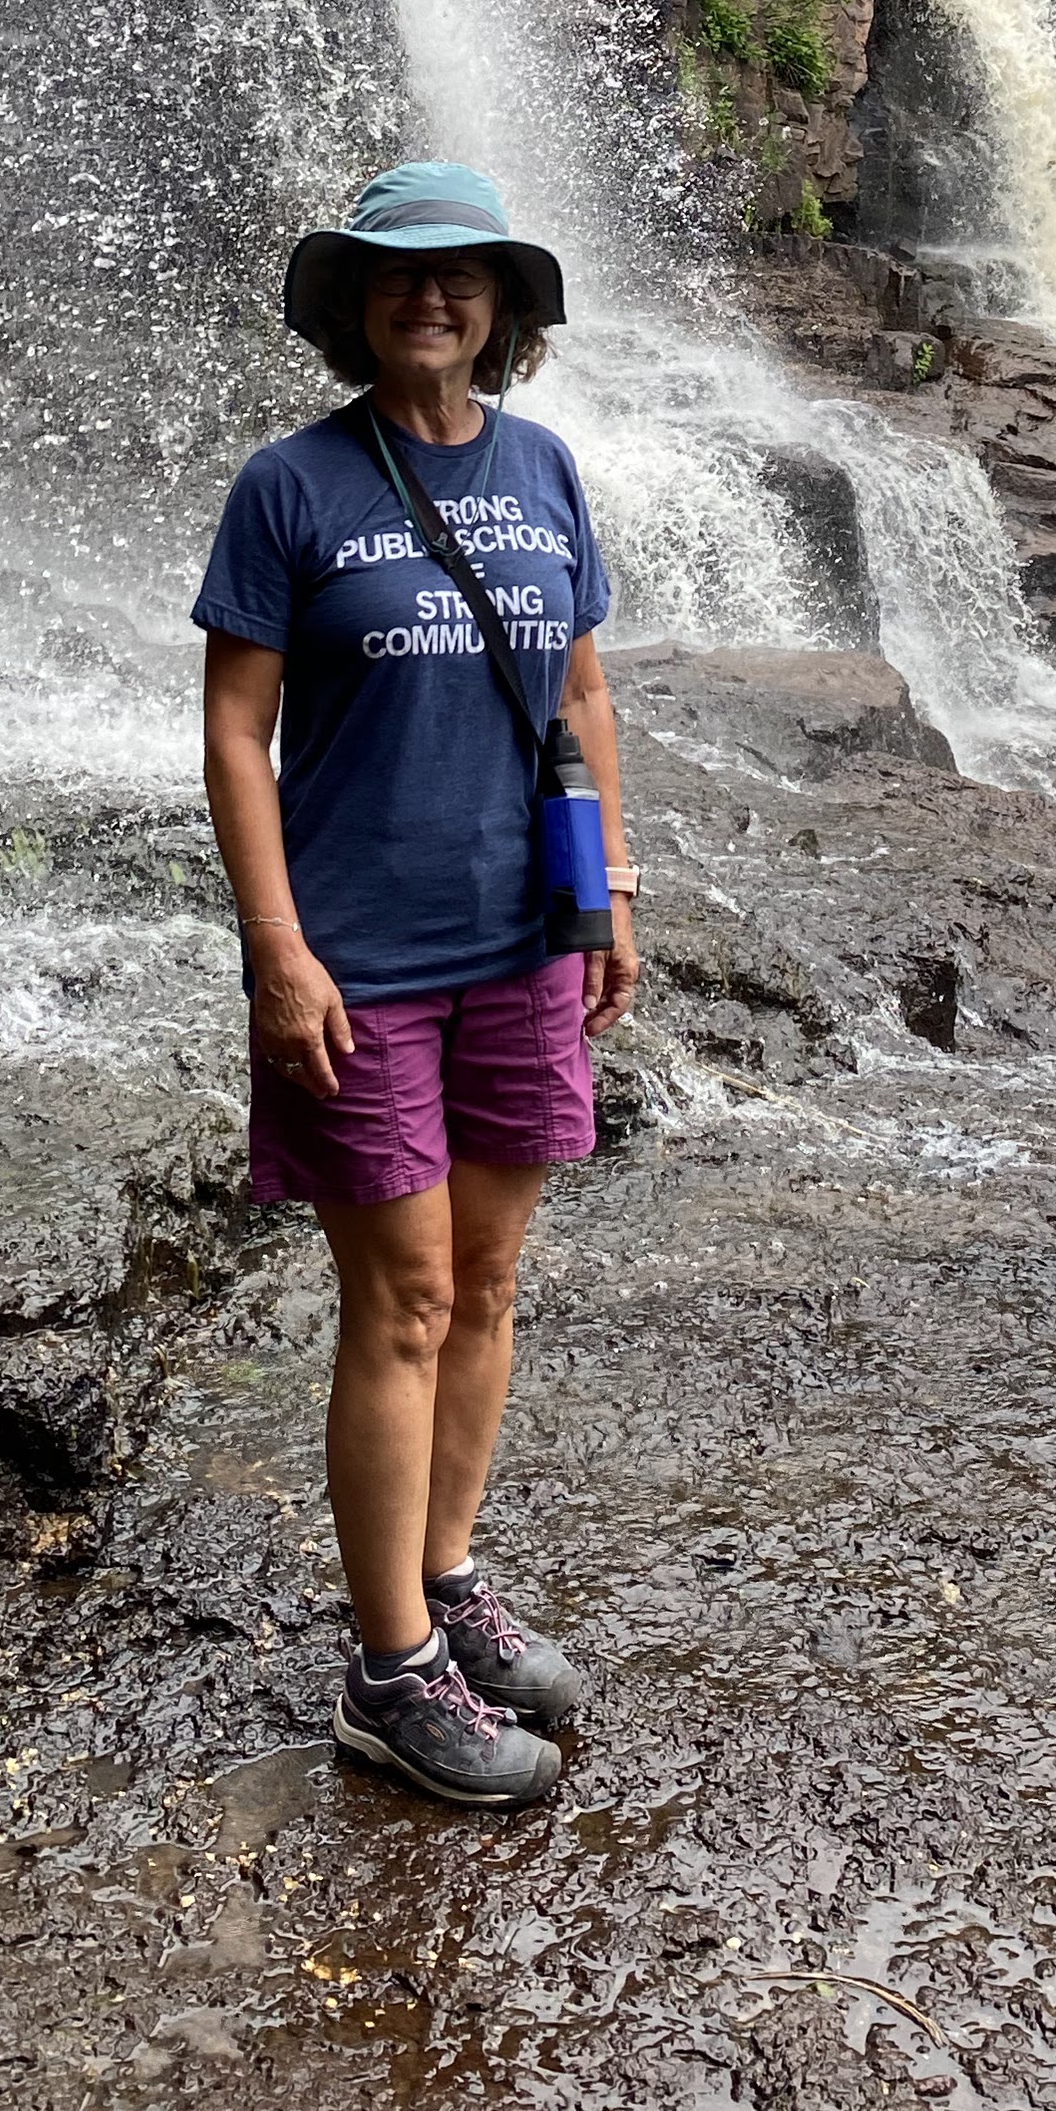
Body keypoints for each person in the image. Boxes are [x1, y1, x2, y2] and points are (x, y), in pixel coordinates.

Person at [194, 161, 639, 1809]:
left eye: (461, 274)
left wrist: (610, 891)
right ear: (357, 304)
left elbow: (580, 694)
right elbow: (237, 727)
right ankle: (388, 1676)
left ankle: (445, 1587)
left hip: (522, 939)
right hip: (362, 959)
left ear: (503, 306)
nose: (430, 296)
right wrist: (277, 946)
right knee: (404, 1299)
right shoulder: (291, 486)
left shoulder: (546, 468)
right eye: (398, 274)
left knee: (491, 1278)